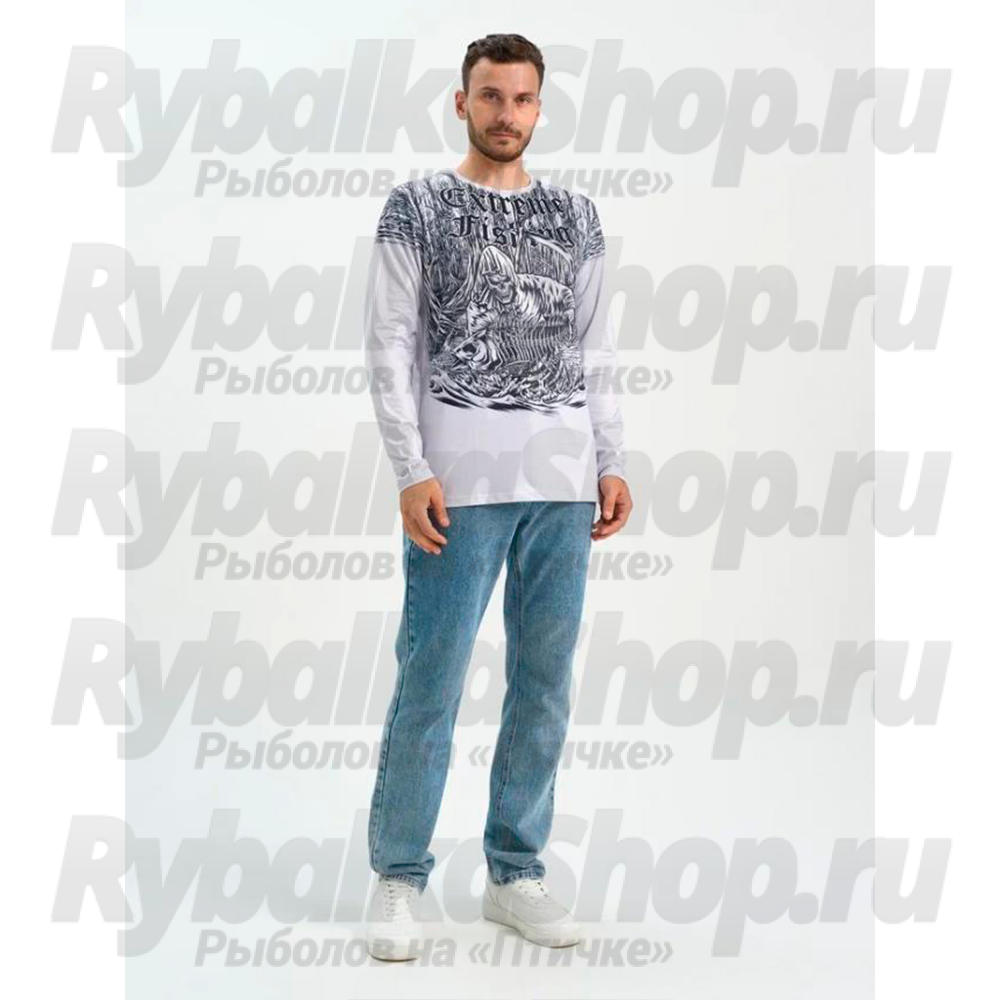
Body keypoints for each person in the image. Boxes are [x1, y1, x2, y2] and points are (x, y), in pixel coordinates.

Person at [362, 33, 633, 961]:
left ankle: (515, 872)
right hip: (458, 486)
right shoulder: (418, 207)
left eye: (521, 99)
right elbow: (390, 344)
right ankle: (399, 876)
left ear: (540, 108)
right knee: (431, 679)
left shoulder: (575, 215)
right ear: (461, 102)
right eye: (490, 96)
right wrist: (410, 469)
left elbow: (596, 345)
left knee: (544, 684)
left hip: (562, 486)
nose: (506, 114)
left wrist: (611, 459)